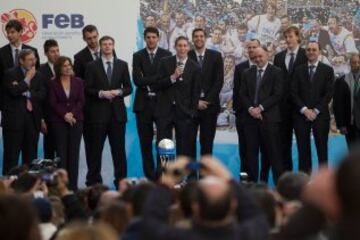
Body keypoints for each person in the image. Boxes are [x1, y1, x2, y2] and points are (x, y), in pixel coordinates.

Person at [141, 156, 269, 240]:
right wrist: (227, 177)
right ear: (233, 205)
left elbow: (150, 221)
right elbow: (255, 214)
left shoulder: (174, 236)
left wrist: (167, 180)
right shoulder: (250, 234)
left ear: (195, 207)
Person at [84, 35, 132, 187]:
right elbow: (87, 89)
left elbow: (128, 88)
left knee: (118, 152)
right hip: (98, 116)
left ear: (113, 46)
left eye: (110, 44)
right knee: (95, 151)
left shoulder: (122, 65)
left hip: (117, 116)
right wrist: (101, 93)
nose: (107, 46)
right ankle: (93, 183)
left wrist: (118, 92)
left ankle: (121, 182)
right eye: (104, 44)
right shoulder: (92, 66)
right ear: (100, 46)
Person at [132, 27, 171, 180]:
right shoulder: (138, 56)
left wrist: (147, 80)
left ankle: (164, 177)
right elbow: (137, 80)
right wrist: (157, 79)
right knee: (145, 144)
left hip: (162, 105)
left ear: (158, 38)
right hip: (143, 105)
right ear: (144, 38)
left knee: (164, 144)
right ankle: (150, 178)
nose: (151, 40)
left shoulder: (166, 55)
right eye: (148, 37)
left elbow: (167, 80)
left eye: (153, 37)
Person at [239, 47, 283, 183]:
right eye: (255, 56)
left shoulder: (277, 72)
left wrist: (261, 109)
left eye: (261, 56)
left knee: (273, 155)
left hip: (269, 120)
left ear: (267, 55)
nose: (258, 59)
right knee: (251, 155)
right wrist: (251, 109)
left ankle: (277, 186)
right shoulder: (247, 73)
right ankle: (251, 185)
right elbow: (242, 94)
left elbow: (278, 94)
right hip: (250, 120)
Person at [292, 41, 334, 174]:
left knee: (322, 150)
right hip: (301, 116)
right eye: (308, 50)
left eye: (314, 50)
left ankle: (323, 180)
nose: (311, 52)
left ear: (319, 52)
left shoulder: (327, 70)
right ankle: (304, 181)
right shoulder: (298, 70)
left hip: (320, 116)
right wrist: (305, 110)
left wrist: (315, 111)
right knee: (303, 150)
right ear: (305, 52)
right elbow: (293, 92)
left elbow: (329, 93)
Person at [155, 36, 201, 158]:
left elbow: (195, 93)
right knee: (164, 147)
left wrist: (191, 112)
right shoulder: (165, 62)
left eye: (185, 45)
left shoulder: (195, 67)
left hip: (184, 113)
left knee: (184, 148)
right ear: (175, 47)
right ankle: (164, 176)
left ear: (189, 47)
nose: (182, 48)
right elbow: (157, 85)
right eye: (179, 45)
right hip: (165, 112)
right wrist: (172, 77)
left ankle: (182, 176)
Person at [2, 49, 46, 175]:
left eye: (35, 59)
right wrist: (26, 79)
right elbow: (14, 92)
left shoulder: (39, 75)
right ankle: (8, 190)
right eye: (30, 59)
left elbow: (42, 94)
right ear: (21, 61)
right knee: (11, 158)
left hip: (32, 122)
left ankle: (28, 188)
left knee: (31, 159)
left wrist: (26, 92)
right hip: (14, 123)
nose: (34, 62)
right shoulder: (10, 73)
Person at [273, 26, 307, 172]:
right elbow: (275, 82)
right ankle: (286, 178)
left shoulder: (307, 54)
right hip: (283, 109)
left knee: (303, 145)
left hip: (302, 108)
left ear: (298, 37)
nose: (288, 39)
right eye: (286, 37)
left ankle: (304, 179)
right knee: (283, 144)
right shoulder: (278, 57)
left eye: (290, 36)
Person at [49, 56, 85, 190]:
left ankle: (73, 188)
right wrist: (64, 115)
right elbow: (53, 103)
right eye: (64, 65)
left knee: (74, 155)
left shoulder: (79, 82)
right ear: (59, 68)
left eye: (69, 65)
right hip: (59, 122)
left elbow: (81, 101)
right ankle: (62, 187)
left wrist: (72, 114)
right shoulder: (53, 83)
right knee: (62, 155)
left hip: (76, 121)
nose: (68, 67)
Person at [188, 28, 223, 159]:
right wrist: (196, 101)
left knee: (207, 144)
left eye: (201, 36)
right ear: (192, 39)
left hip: (210, 107)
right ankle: (191, 176)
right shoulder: (187, 55)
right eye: (196, 36)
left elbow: (218, 81)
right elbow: (185, 84)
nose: (199, 38)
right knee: (189, 143)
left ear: (206, 38)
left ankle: (204, 177)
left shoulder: (216, 56)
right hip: (191, 107)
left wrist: (206, 101)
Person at [73, 24, 100, 174]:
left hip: (107, 109)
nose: (93, 41)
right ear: (84, 39)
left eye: (95, 37)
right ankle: (93, 179)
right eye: (89, 38)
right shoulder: (79, 57)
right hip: (89, 109)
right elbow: (78, 84)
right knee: (92, 147)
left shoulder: (107, 50)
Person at [233, 39, 261, 177]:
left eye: (254, 47)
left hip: (262, 117)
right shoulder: (240, 68)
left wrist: (259, 110)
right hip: (244, 117)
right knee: (244, 152)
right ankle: (245, 181)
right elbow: (238, 93)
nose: (251, 50)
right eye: (249, 47)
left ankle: (259, 182)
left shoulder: (269, 67)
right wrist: (244, 112)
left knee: (261, 153)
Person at [0, 19, 40, 108]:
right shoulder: (1, 52)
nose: (9, 35)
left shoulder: (33, 51)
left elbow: (36, 75)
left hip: (29, 101)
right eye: (7, 33)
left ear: (20, 32)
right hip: (9, 101)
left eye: (12, 32)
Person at [38, 39, 60, 160]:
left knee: (63, 153)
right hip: (48, 118)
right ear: (46, 53)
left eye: (57, 50)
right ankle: (49, 179)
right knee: (49, 153)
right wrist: (41, 119)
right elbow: (39, 99)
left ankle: (64, 178)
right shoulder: (40, 71)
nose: (56, 54)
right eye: (52, 51)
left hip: (64, 118)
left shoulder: (66, 68)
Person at [333, 53, 360, 147]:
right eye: (354, 62)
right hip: (350, 125)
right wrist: (341, 125)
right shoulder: (341, 81)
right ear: (350, 64)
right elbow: (338, 105)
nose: (356, 65)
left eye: (358, 62)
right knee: (353, 154)